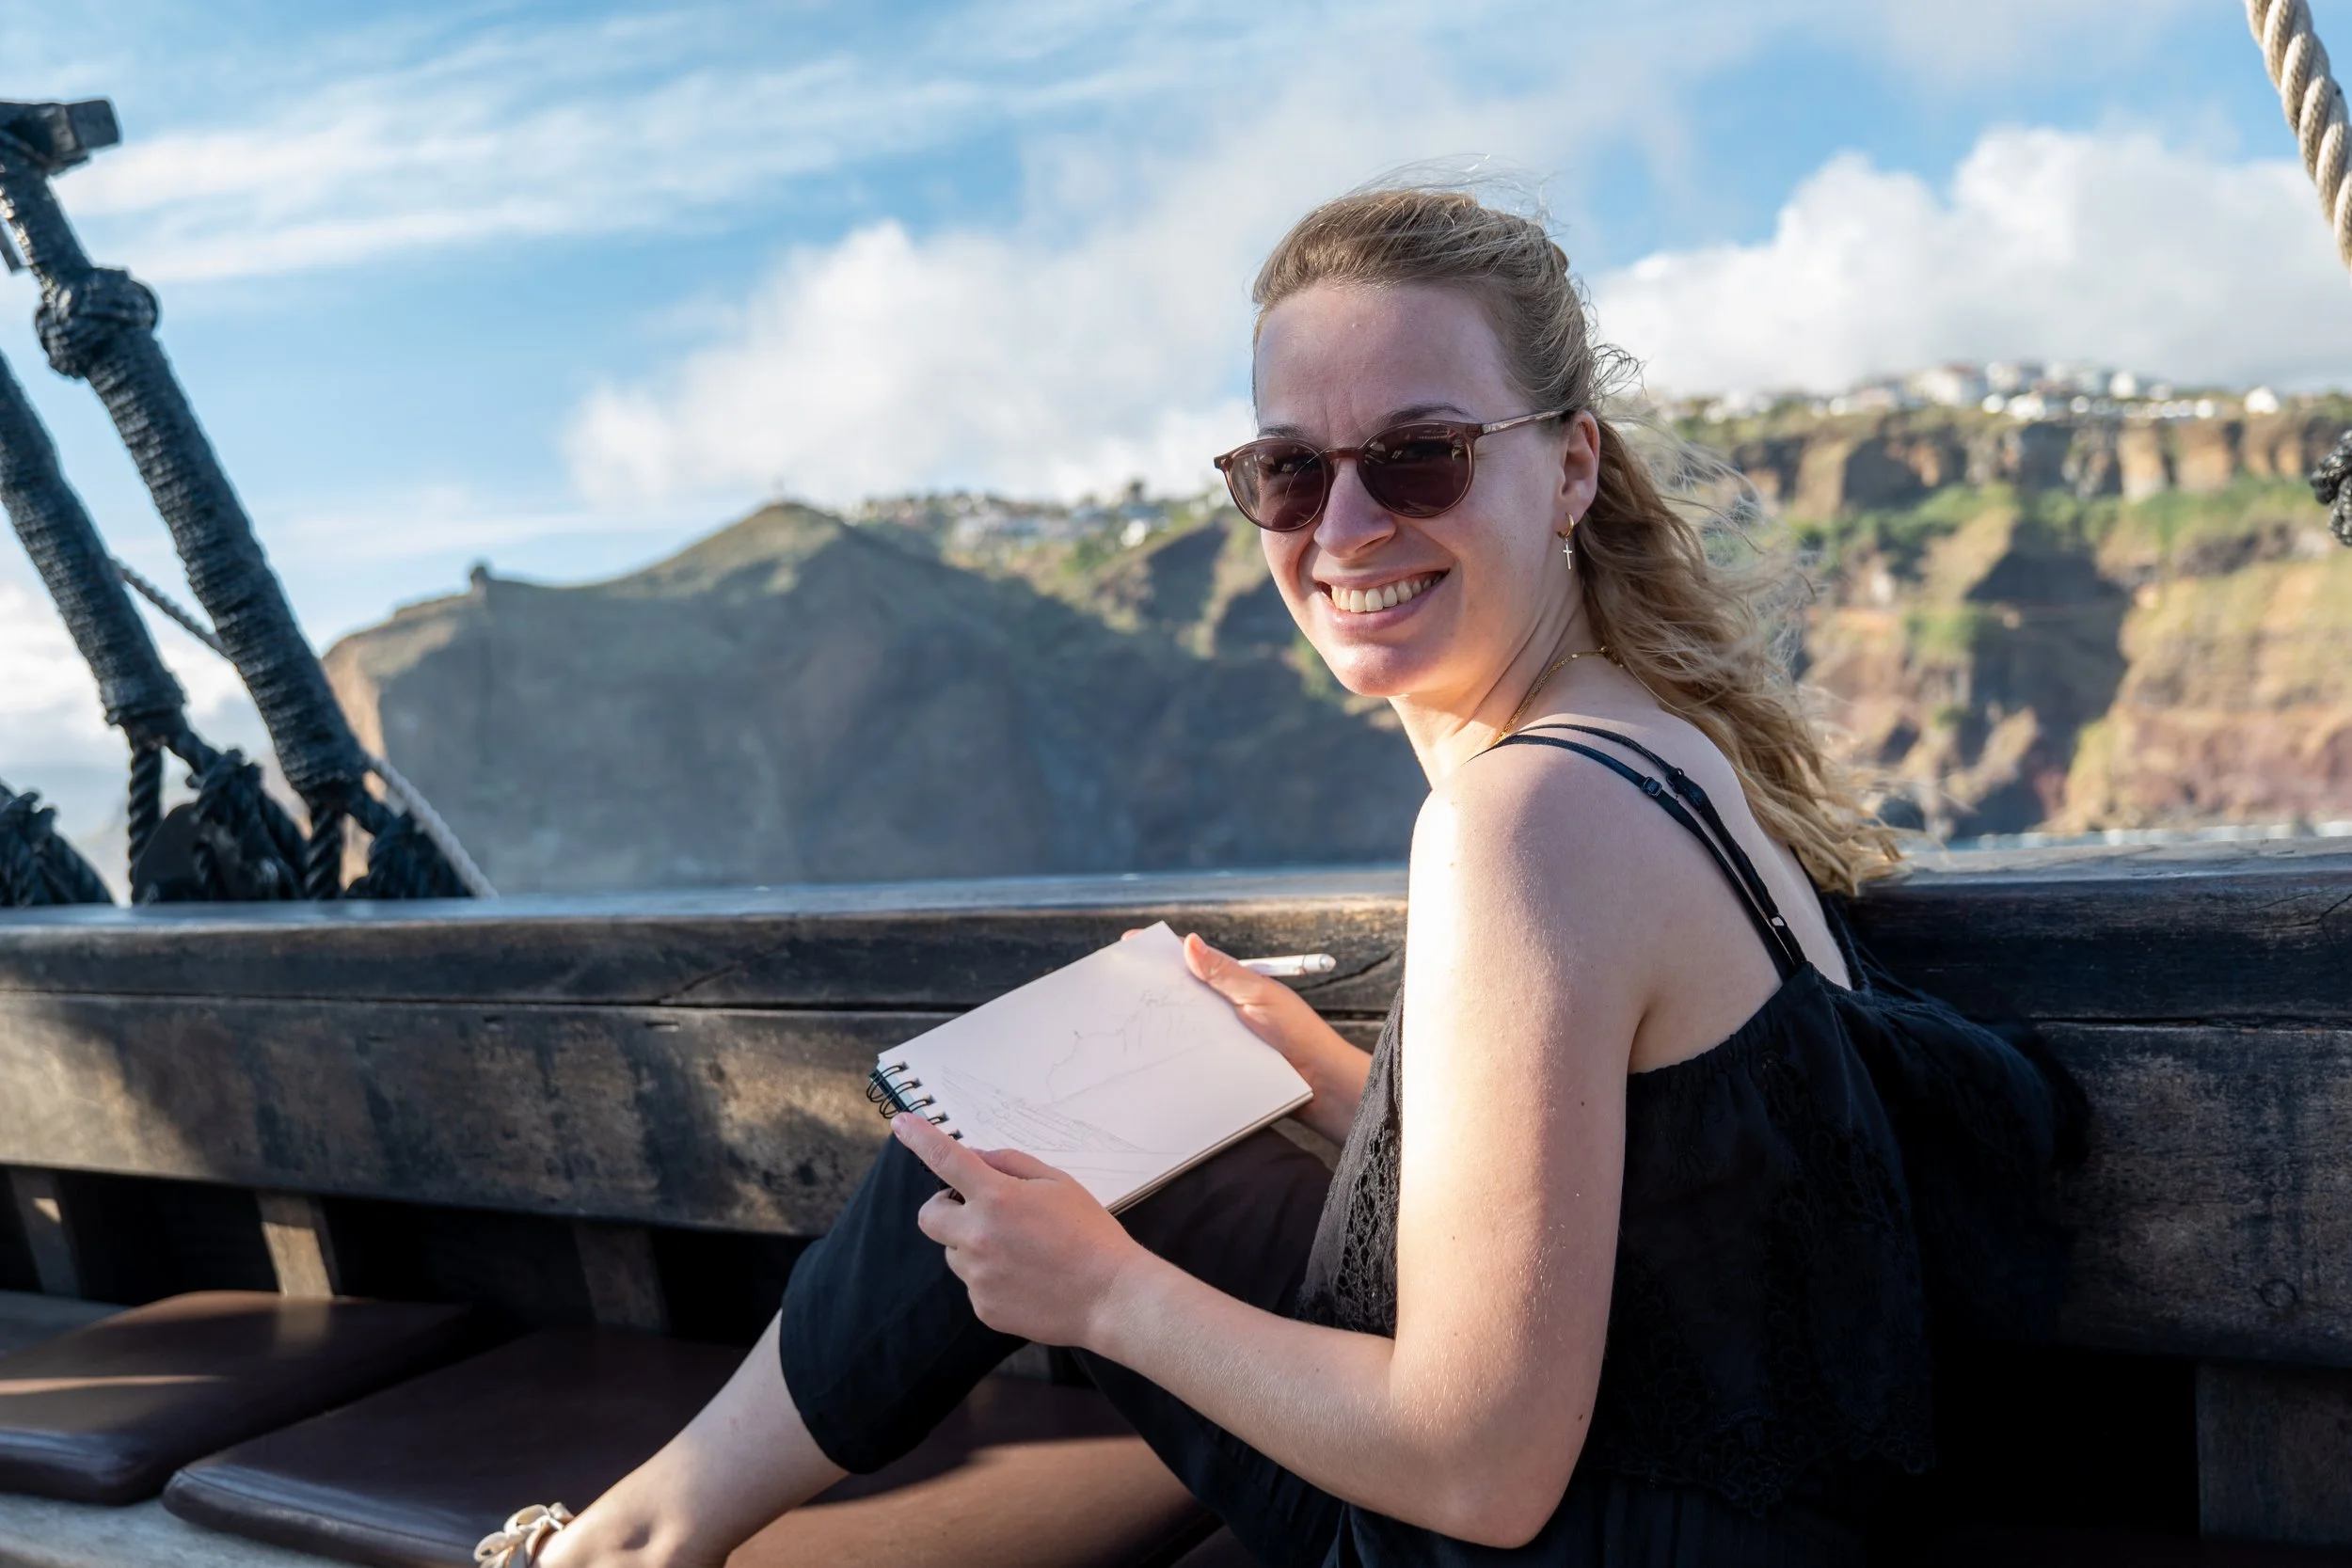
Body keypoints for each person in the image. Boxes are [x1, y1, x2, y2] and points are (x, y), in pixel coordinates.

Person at [524, 184, 2070, 1568]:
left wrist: (1101, 1292)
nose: (1344, 525)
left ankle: (624, 1548)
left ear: (1571, 467)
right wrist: (1341, 1080)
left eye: (1419, 456)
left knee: (984, 1170)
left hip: (1578, 1534)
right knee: (1009, 1126)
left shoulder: (1520, 823)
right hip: (1748, 1494)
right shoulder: (1663, 752)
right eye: (1286, 470)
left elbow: (1480, 1466)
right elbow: (1684, 1204)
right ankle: (638, 1539)